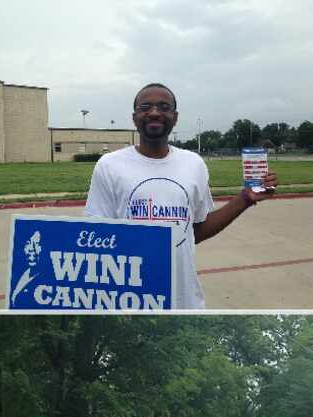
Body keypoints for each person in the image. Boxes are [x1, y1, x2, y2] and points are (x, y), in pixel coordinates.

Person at [84, 82, 278, 309]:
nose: (154, 112)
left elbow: (194, 230)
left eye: (164, 107)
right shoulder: (109, 165)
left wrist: (244, 199)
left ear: (175, 117)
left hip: (184, 301)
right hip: (129, 300)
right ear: (135, 116)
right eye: (146, 106)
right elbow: (97, 238)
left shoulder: (193, 163)